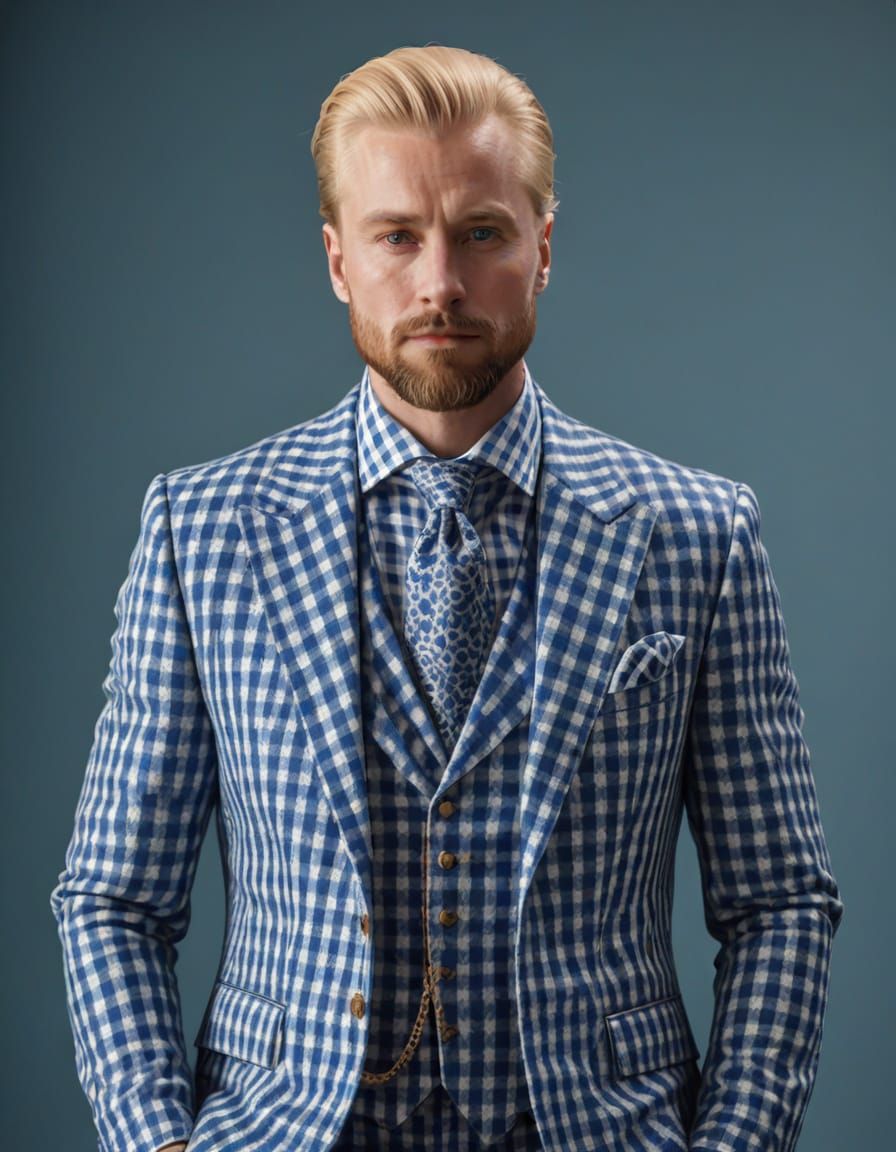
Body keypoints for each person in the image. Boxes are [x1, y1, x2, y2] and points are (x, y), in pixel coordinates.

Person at [50, 44, 844, 1152]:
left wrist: (735, 1142)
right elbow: (113, 897)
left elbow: (778, 903)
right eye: (395, 237)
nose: (438, 284)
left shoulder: (696, 534)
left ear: (544, 246)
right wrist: (153, 1138)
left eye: (480, 233)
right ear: (336, 259)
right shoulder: (205, 530)